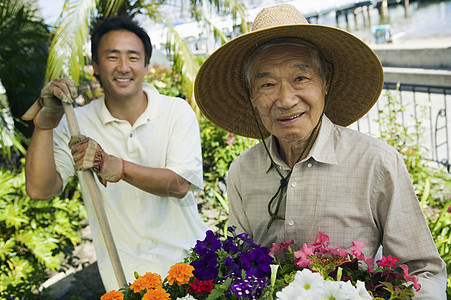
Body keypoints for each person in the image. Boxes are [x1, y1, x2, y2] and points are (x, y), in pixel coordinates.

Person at [193, 4, 446, 299]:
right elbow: (241, 266)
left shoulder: (376, 163)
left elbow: (422, 271)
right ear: (252, 95)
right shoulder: (242, 172)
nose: (286, 100)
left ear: (325, 80)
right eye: (267, 84)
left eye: (301, 78)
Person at [22, 15, 209, 292]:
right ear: (95, 65)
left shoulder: (175, 111)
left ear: (146, 65)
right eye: (112, 57)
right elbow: (39, 189)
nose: (124, 67)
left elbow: (180, 184)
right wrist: (45, 125)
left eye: (133, 57)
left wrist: (114, 165)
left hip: (192, 268)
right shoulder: (77, 122)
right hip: (126, 279)